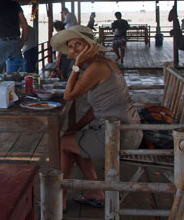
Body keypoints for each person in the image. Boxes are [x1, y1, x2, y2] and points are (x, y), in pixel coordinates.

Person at [50, 25, 142, 210]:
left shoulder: (97, 67)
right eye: (70, 46)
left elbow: (68, 95)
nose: (73, 50)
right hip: (125, 129)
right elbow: (97, 106)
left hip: (118, 134)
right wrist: (76, 126)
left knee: (62, 144)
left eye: (78, 44)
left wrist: (76, 66)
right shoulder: (103, 63)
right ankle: (95, 191)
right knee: (73, 140)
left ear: (91, 46)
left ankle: (59, 198)